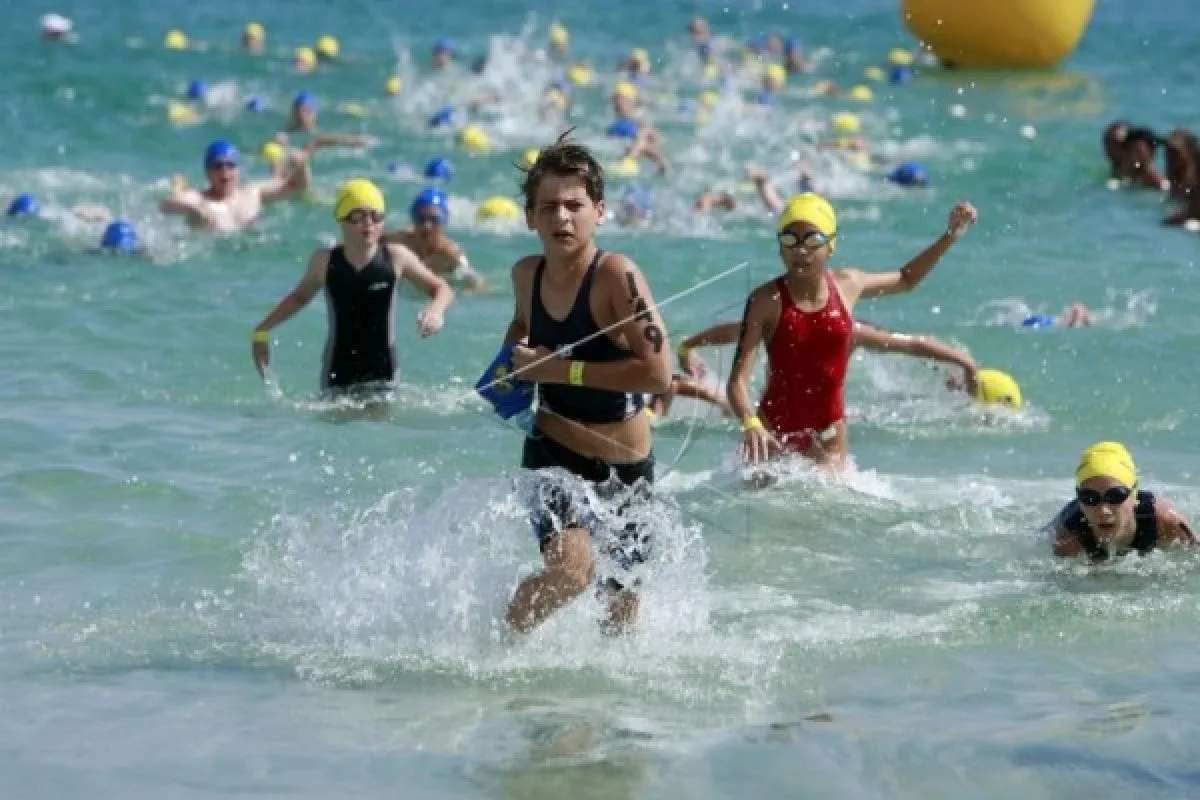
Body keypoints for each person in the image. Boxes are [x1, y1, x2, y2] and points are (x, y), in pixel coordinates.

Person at [491, 134, 672, 635]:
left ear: (599, 211)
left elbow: (659, 373)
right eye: (549, 206)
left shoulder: (617, 276)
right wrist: (510, 366)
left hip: (626, 466)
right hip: (552, 452)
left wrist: (560, 371)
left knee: (620, 612)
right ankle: (497, 653)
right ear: (530, 217)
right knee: (571, 571)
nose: (562, 217)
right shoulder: (525, 275)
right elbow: (521, 328)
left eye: (575, 205)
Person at [728, 192, 978, 470]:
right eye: (790, 239)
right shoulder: (766, 301)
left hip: (829, 436)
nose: (801, 250)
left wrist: (950, 236)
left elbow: (906, 279)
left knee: (836, 497)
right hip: (771, 434)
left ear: (830, 245)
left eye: (812, 239)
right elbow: (737, 382)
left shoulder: (848, 284)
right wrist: (750, 423)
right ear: (779, 247)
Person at [250, 179, 455, 393]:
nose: (369, 223)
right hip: (337, 374)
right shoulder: (325, 261)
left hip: (384, 374)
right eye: (358, 216)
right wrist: (262, 330)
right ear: (342, 220)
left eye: (376, 216)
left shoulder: (396, 257)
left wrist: (436, 311)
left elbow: (442, 289)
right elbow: (299, 297)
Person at [1050, 442, 1195, 560]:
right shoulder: (1069, 538)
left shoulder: (1164, 520)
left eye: (1115, 496)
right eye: (1090, 497)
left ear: (1134, 496)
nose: (1103, 510)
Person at [159, 139, 310, 233]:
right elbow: (165, 204)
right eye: (218, 166)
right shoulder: (200, 200)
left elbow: (297, 186)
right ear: (207, 172)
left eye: (230, 165)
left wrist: (302, 167)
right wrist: (193, 209)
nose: (225, 172)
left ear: (239, 170)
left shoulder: (253, 193)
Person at [383, 188, 484, 293]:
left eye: (434, 219)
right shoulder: (401, 241)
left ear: (443, 222)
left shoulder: (450, 253)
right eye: (421, 219)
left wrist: (468, 294)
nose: (427, 226)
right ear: (413, 220)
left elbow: (477, 281)